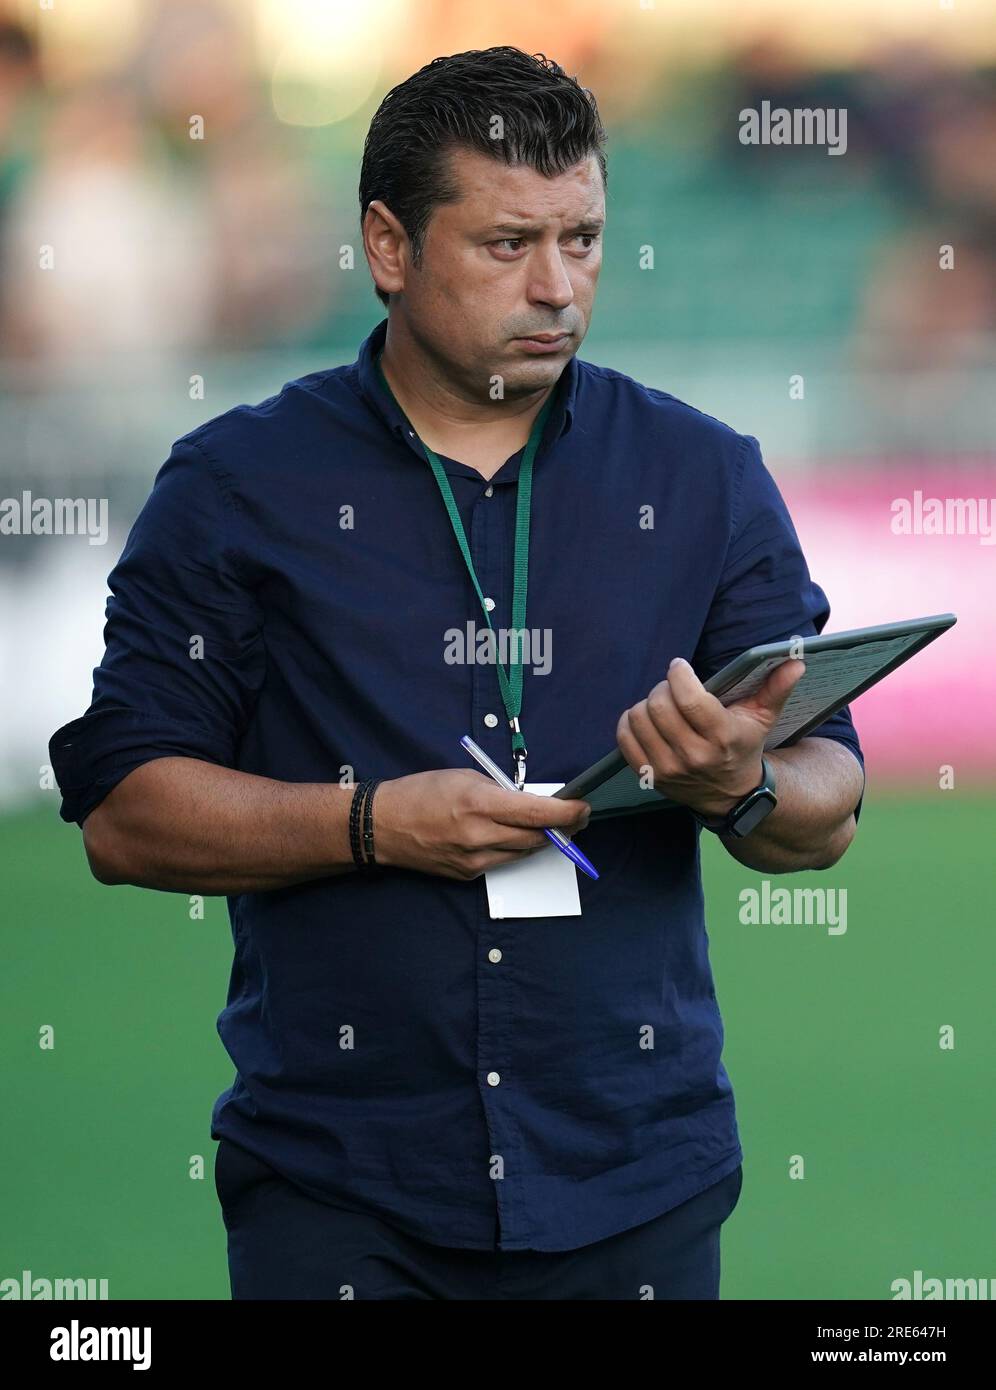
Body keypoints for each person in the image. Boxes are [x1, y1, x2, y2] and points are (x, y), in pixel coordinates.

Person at [49, 46, 865, 1301]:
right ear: (388, 244)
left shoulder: (703, 477)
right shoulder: (234, 491)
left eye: (584, 240)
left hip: (638, 1178)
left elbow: (830, 808)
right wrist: (372, 824)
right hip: (339, 1186)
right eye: (507, 245)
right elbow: (122, 814)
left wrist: (743, 779)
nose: (558, 288)